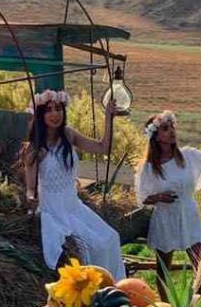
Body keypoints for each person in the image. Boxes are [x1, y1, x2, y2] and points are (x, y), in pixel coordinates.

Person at [23, 89, 126, 281]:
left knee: (111, 238)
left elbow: (103, 147)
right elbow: (30, 187)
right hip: (53, 211)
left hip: (73, 206)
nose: (55, 114)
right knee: (89, 247)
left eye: (58, 109)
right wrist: (30, 198)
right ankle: (94, 289)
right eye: (49, 110)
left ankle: (113, 285)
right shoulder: (35, 149)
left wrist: (108, 118)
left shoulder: (68, 135)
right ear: (40, 116)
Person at [135, 110, 201, 293]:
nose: (172, 131)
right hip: (165, 220)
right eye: (165, 128)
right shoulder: (149, 167)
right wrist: (159, 197)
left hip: (189, 215)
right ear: (156, 136)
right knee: (163, 273)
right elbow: (143, 198)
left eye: (172, 127)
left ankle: (197, 306)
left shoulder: (189, 156)